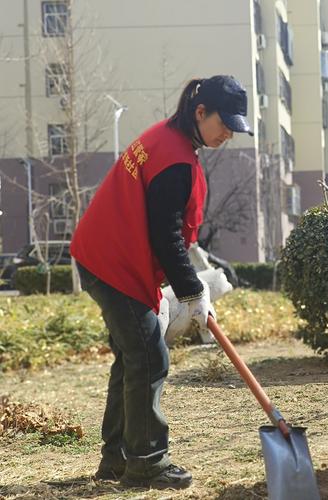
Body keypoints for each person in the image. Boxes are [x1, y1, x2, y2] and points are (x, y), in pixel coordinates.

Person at [70, 75, 253, 489]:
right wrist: (193, 292)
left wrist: (191, 289)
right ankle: (147, 463)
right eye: (224, 124)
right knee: (150, 357)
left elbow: (166, 235)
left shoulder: (167, 140)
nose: (228, 134)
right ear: (200, 112)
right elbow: (167, 238)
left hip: (105, 255)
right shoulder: (174, 158)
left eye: (234, 127)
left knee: (133, 356)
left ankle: (117, 459)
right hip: (114, 263)